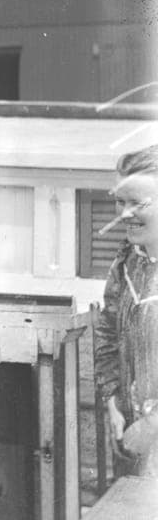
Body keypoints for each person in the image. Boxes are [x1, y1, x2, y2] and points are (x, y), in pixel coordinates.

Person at [94, 144, 158, 477]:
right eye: (121, 202)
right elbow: (106, 333)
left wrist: (153, 426)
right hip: (133, 445)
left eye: (137, 203)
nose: (124, 214)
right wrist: (113, 402)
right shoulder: (126, 262)